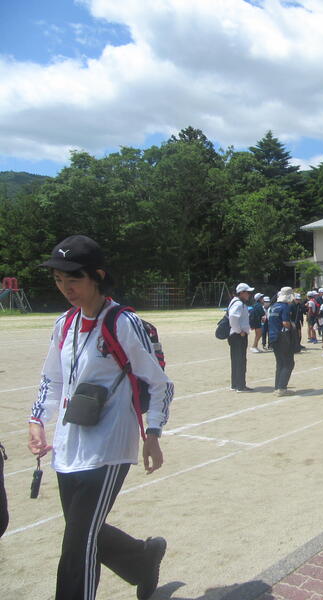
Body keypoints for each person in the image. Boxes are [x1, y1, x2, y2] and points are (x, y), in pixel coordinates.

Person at [28, 234, 173, 600]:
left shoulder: (123, 323)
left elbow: (160, 383)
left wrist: (153, 433)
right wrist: (37, 421)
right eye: (58, 280)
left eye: (73, 279)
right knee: (82, 530)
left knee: (78, 544)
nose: (66, 288)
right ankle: (142, 559)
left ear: (98, 276)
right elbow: (53, 378)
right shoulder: (64, 324)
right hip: (68, 445)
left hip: (108, 448)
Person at [268, 287, 296, 396]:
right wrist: (292, 326)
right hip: (282, 337)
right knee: (288, 363)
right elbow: (285, 323)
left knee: (280, 363)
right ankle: (282, 388)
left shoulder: (273, 306)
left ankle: (277, 387)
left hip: (273, 336)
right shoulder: (285, 307)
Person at [228, 282, 254, 391]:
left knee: (236, 360)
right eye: (247, 292)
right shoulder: (239, 304)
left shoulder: (236, 302)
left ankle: (235, 384)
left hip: (235, 335)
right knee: (240, 361)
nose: (249, 294)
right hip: (238, 336)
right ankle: (240, 385)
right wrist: (239, 331)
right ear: (242, 293)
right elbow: (233, 318)